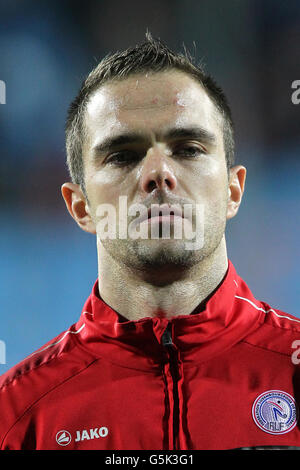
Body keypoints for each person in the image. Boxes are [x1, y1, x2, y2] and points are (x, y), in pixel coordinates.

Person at [1, 34, 300, 451]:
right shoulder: (15, 415)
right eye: (123, 155)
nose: (158, 172)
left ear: (233, 190)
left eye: (189, 148)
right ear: (80, 206)